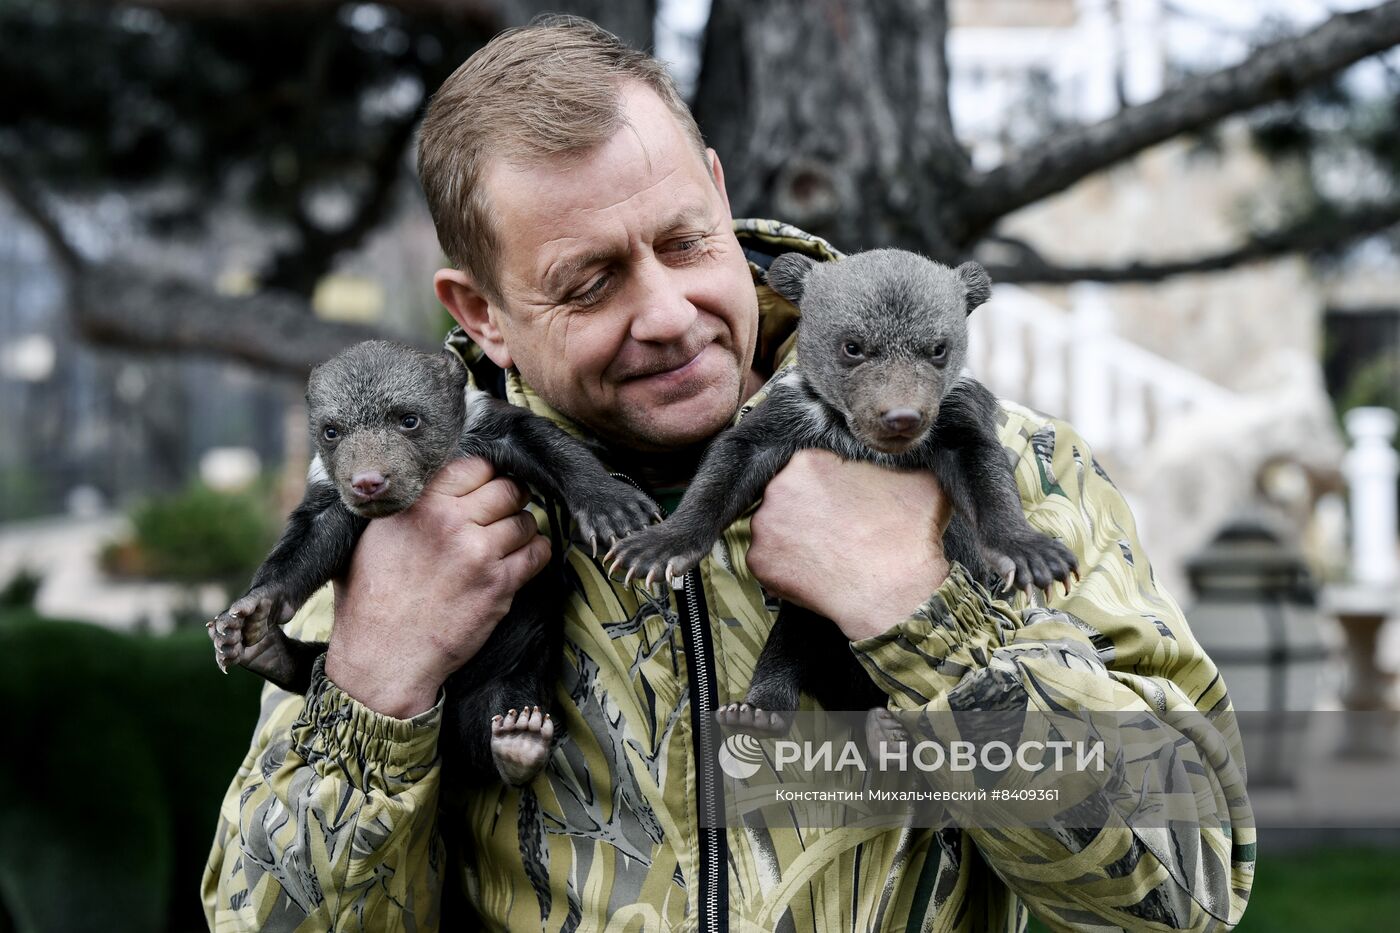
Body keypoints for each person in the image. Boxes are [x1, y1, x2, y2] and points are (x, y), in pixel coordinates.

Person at [203, 15, 1253, 932]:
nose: (665, 314)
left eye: (683, 241)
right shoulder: (397, 526)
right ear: (479, 313)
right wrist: (375, 681)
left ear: (715, 187)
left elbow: (1188, 891)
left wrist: (921, 614)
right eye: (590, 281)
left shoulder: (1004, 467)